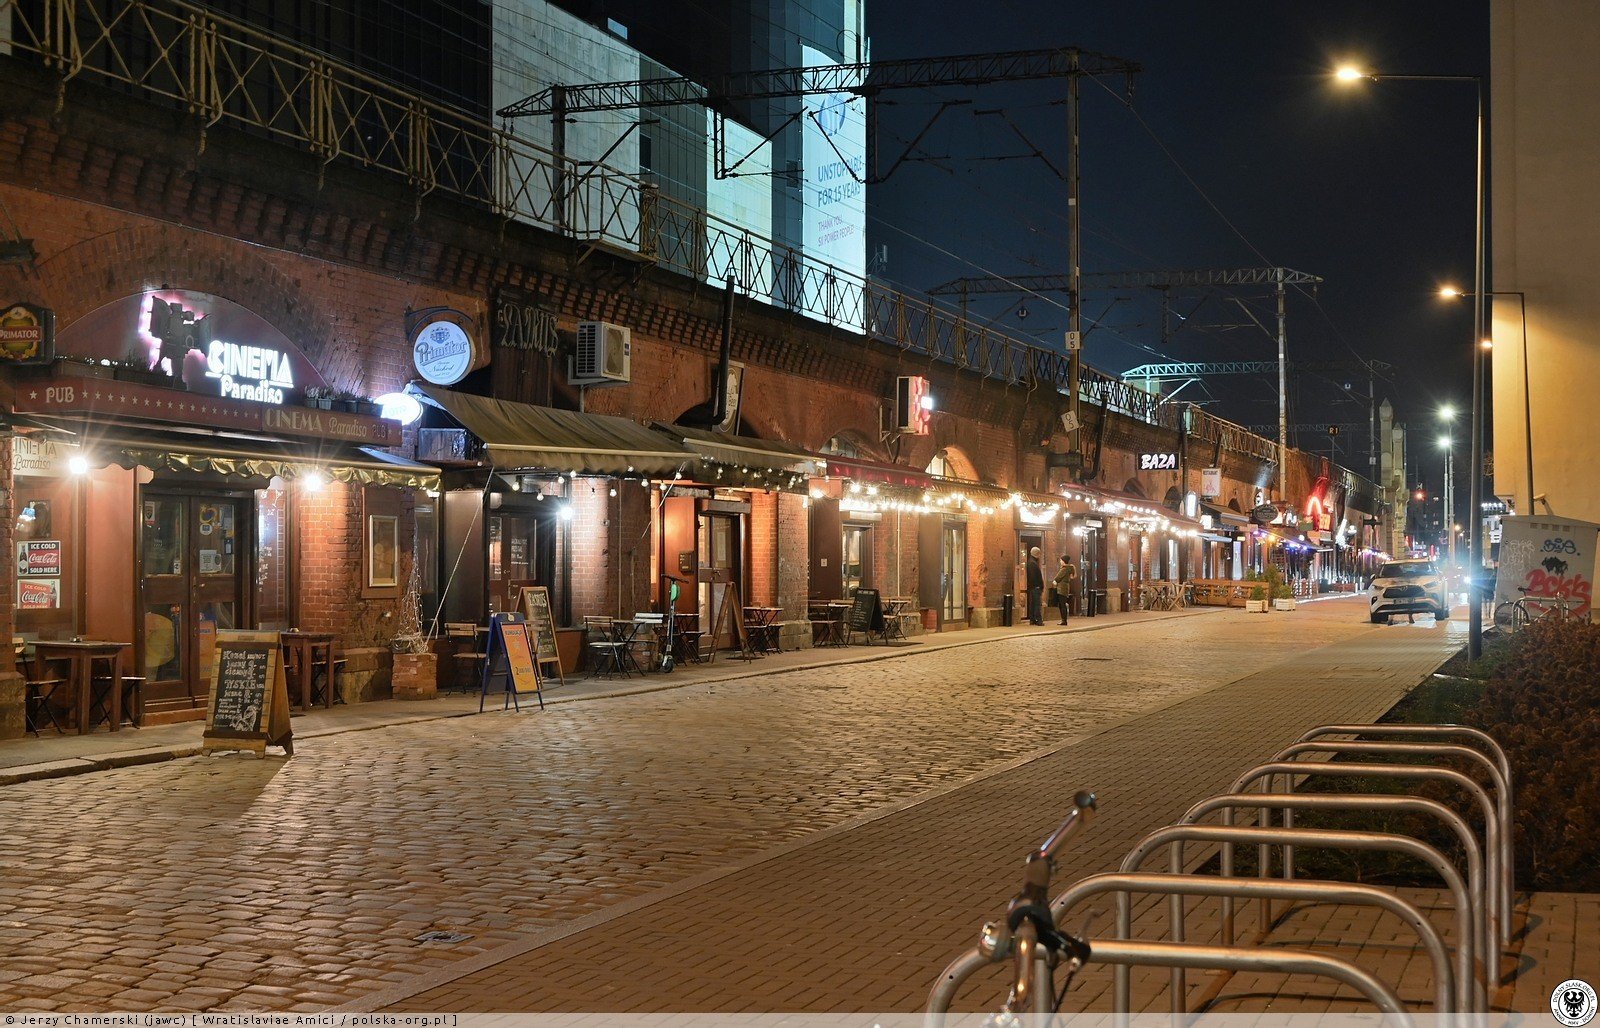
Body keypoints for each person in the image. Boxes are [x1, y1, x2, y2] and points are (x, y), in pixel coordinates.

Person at [1054, 555, 1078, 626]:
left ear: (1064, 561)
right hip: (1065, 588)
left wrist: (1055, 581)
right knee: (1062, 604)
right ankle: (1063, 620)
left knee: (1062, 605)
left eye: (1061, 560)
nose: (1060, 561)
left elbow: (1058, 577)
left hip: (1061, 588)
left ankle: (1064, 620)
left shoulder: (1064, 569)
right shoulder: (1069, 568)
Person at [1025, 546, 1045, 625]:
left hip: (1033, 587)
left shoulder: (1031, 562)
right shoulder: (1033, 563)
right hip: (1035, 587)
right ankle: (1038, 620)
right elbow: (1034, 576)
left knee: (1033, 604)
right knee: (1037, 604)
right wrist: (1039, 585)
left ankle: (1032, 619)